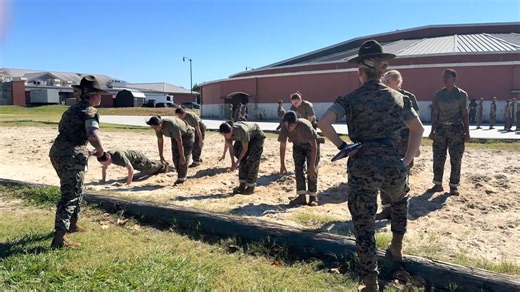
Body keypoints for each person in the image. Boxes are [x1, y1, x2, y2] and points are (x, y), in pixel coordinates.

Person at [317, 40, 423, 291]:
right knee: (399, 203)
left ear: (360, 71)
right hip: (392, 161)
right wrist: (406, 160)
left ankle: (370, 282)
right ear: (382, 71)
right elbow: (417, 129)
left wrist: (343, 146)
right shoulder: (399, 98)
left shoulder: (350, 99)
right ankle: (396, 249)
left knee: (364, 224)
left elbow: (323, 122)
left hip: (362, 163)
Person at [49, 75, 109, 248]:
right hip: (71, 156)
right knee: (70, 195)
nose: (101, 97)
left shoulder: (72, 109)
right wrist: (101, 152)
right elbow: (92, 134)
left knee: (76, 189)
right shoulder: (89, 111)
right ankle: (59, 239)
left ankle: (72, 225)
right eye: (99, 94)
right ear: (92, 95)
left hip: (59, 152)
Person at [377, 69, 420, 220]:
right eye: (384, 80)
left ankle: (399, 211)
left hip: (404, 141)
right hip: (386, 141)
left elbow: (416, 123)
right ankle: (386, 209)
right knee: (383, 175)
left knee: (401, 175)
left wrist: (416, 147)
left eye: (388, 81)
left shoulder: (408, 97)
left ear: (397, 81)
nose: (385, 83)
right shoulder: (382, 96)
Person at [428, 69, 470, 196]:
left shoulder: (461, 94)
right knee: (438, 157)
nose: (444, 79)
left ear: (454, 79)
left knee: (456, 158)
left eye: (447, 77)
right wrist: (432, 130)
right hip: (440, 128)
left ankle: (453, 185)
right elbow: (435, 113)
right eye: (443, 77)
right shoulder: (439, 94)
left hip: (456, 129)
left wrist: (467, 132)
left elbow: (464, 114)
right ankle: (437, 183)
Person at [278, 111, 320, 206]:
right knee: (298, 169)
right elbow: (282, 146)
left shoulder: (305, 125)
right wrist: (282, 164)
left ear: (296, 123)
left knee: (311, 170)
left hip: (311, 146)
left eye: (292, 125)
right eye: (287, 125)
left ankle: (313, 197)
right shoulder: (284, 128)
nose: (289, 128)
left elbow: (314, 146)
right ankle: (301, 196)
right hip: (297, 145)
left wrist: (312, 165)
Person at [219, 121, 265, 195]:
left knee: (253, 159)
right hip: (244, 139)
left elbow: (245, 149)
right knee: (238, 153)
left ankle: (251, 187)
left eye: (226, 135)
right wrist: (233, 163)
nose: (225, 137)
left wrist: (237, 162)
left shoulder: (241, 130)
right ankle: (242, 184)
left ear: (231, 130)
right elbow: (231, 149)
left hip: (256, 136)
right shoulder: (227, 134)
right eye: (223, 135)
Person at [146, 116, 194, 185]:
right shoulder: (158, 128)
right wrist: (161, 156)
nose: (155, 129)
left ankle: (182, 178)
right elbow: (160, 141)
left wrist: (182, 156)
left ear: (160, 124)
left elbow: (179, 141)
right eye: (153, 128)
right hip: (175, 136)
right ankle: (180, 172)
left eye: (156, 127)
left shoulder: (171, 124)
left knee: (184, 157)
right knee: (175, 156)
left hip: (187, 134)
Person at [97, 149, 167, 185]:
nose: (105, 164)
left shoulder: (119, 157)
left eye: (106, 163)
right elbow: (104, 168)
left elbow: (131, 169)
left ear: (109, 158)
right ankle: (156, 162)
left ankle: (162, 165)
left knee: (150, 168)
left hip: (138, 159)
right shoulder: (105, 156)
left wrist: (128, 183)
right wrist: (103, 180)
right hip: (131, 160)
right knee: (147, 166)